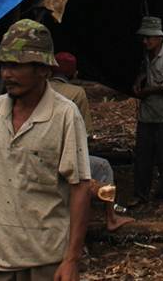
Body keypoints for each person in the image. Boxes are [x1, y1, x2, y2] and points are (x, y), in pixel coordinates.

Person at [0, 19, 89, 281]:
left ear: (43, 69)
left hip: (44, 256)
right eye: (5, 65)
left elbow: (79, 187)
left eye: (17, 65)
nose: (7, 74)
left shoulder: (65, 115)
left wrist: (71, 259)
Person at [50, 52, 132, 231]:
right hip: (63, 156)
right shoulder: (76, 93)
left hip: (42, 154)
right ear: (73, 74)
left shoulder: (40, 89)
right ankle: (111, 217)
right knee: (103, 167)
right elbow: (85, 133)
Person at [131, 16, 163, 208]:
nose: (146, 41)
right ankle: (140, 194)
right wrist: (138, 82)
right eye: (144, 38)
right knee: (143, 157)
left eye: (149, 38)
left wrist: (146, 91)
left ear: (159, 37)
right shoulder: (147, 55)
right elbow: (144, 72)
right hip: (146, 115)